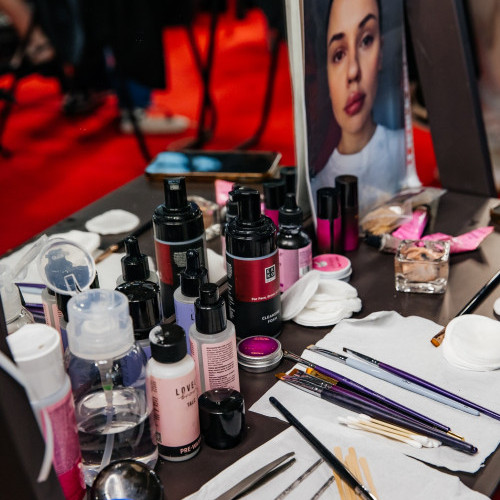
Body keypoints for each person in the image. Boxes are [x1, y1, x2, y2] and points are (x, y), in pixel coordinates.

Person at [310, 0, 419, 215]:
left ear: (381, 52)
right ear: (326, 75)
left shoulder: (401, 154)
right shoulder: (317, 187)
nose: (353, 71)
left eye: (366, 40)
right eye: (338, 55)